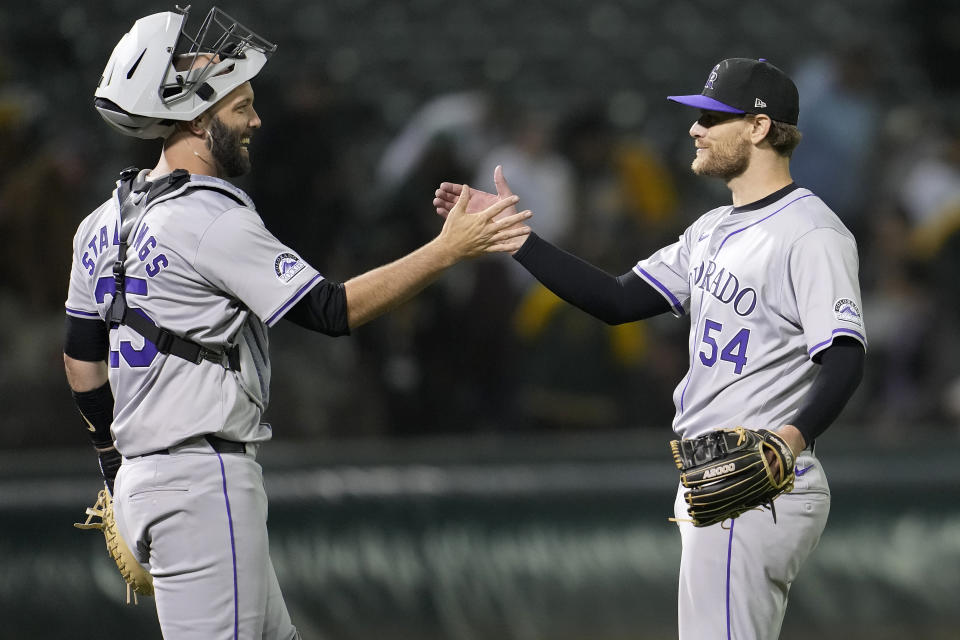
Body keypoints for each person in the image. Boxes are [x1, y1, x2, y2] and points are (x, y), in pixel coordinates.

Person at [62, 7, 530, 639]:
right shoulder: (209, 216)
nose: (256, 119)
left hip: (149, 476)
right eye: (241, 106)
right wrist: (449, 248)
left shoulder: (101, 221)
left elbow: (81, 357)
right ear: (198, 119)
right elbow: (331, 310)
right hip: (202, 481)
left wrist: (117, 472)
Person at [434, 58, 867, 639]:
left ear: (759, 128)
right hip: (714, 474)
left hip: (758, 479)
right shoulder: (710, 229)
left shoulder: (812, 233)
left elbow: (844, 355)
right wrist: (519, 240)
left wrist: (788, 443)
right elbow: (616, 300)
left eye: (712, 117)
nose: (695, 128)